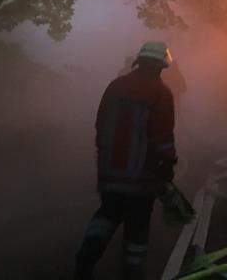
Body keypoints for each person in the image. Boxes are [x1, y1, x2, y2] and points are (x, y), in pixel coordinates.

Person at [75, 42, 177, 280]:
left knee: (108, 213)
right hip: (142, 176)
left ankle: (85, 259)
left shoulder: (115, 86)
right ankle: (132, 272)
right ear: (161, 66)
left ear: (139, 62)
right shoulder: (161, 93)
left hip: (110, 171)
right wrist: (167, 166)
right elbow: (162, 136)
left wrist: (105, 160)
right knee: (137, 224)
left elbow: (100, 125)